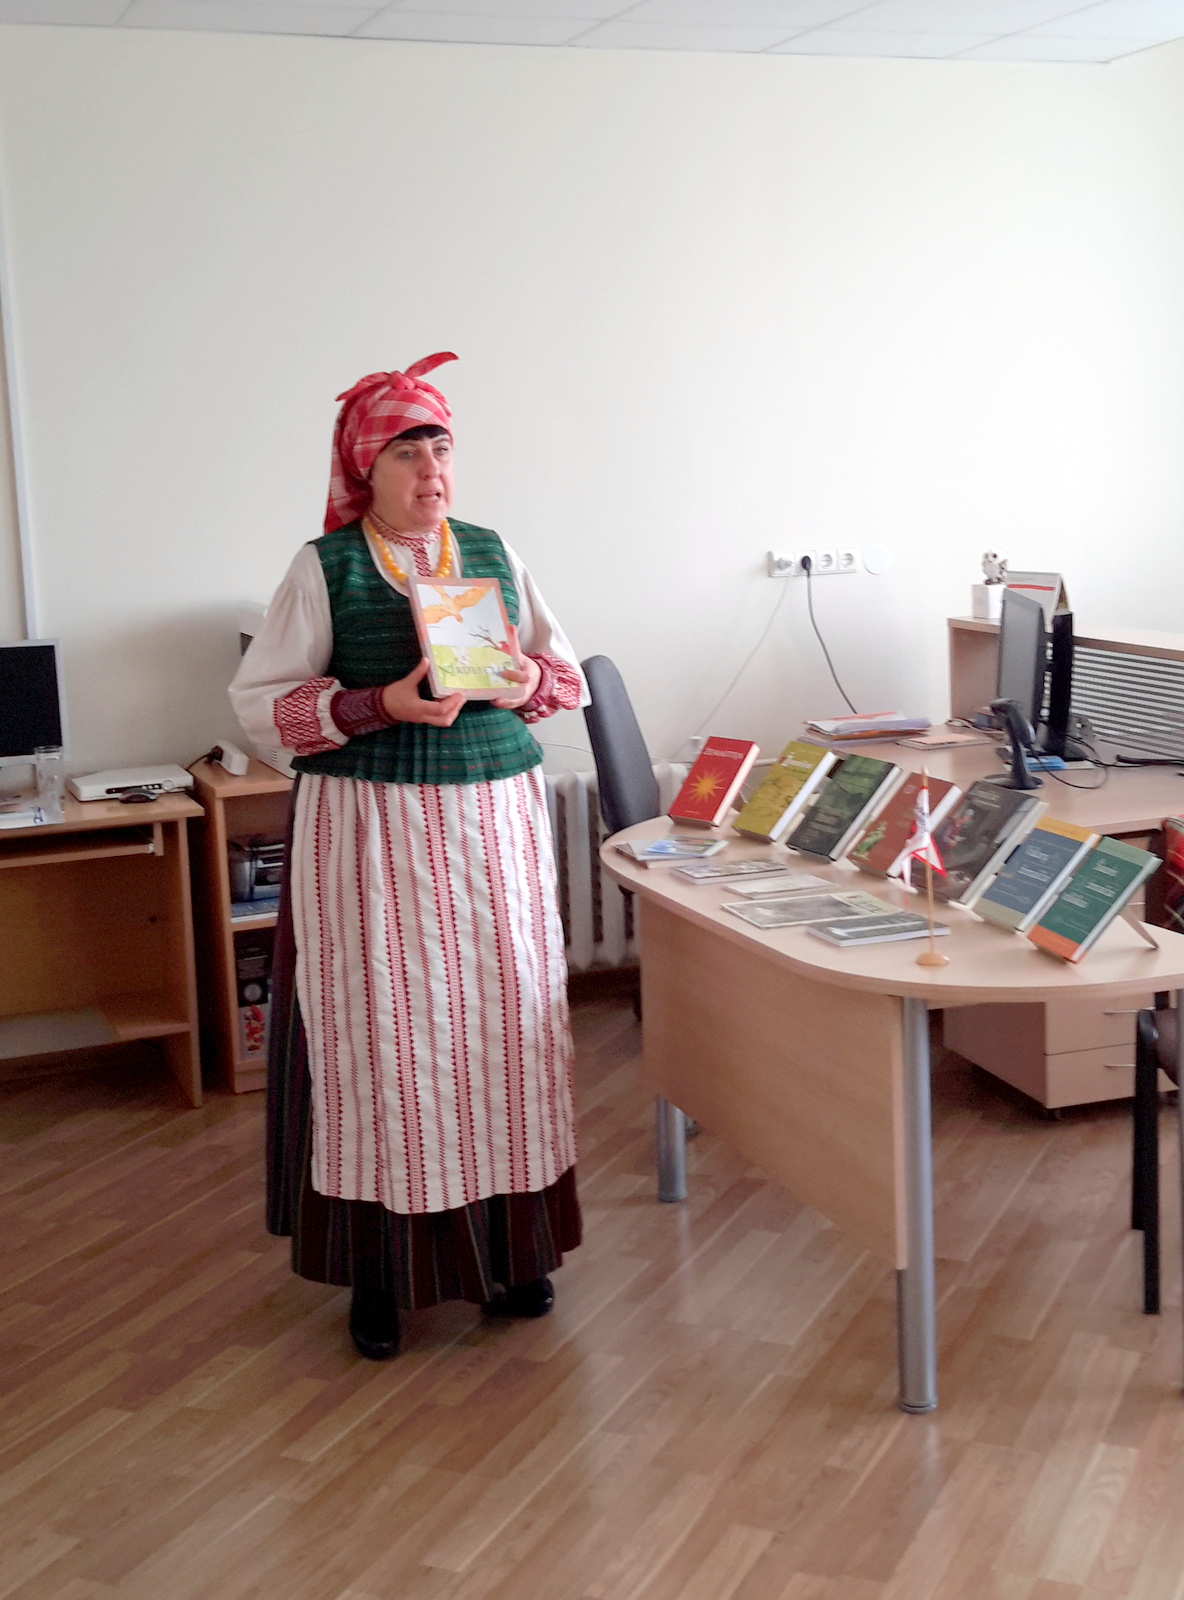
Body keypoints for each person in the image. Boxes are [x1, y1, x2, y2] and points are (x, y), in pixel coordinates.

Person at [229, 354, 587, 1359]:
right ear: (365, 466)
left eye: (442, 447)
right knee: (387, 1037)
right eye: (407, 451)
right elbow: (262, 707)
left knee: (508, 1028)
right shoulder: (325, 566)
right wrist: (379, 702)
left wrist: (517, 679)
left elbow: (563, 674)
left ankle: (514, 1256)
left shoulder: (492, 551)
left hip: (494, 829)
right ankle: (382, 1278)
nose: (432, 469)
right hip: (371, 836)